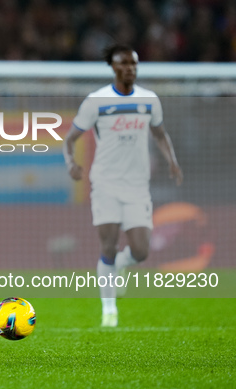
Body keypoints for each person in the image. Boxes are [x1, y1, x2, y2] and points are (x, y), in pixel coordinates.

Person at [63, 44, 183, 327]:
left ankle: (119, 266)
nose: (129, 68)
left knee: (141, 251)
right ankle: (109, 311)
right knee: (108, 245)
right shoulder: (96, 101)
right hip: (105, 183)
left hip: (137, 186)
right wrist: (70, 163)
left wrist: (172, 161)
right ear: (114, 68)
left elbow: (160, 134)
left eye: (133, 64)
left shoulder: (150, 100)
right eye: (124, 64)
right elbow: (70, 139)